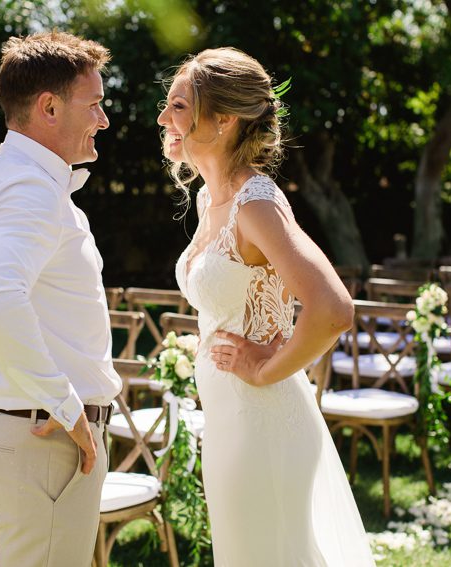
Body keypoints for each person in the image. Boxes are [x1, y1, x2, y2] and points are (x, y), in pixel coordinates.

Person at [157, 47, 376, 566]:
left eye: (179, 106)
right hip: (228, 422)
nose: (164, 119)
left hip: (263, 424)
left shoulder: (255, 203)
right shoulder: (210, 198)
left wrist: (263, 369)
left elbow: (333, 308)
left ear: (225, 119)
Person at [0, 31, 121, 566]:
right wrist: (67, 406)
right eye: (94, 104)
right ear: (49, 107)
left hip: (41, 435)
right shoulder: (29, 187)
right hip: (49, 439)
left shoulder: (21, 178)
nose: (103, 119)